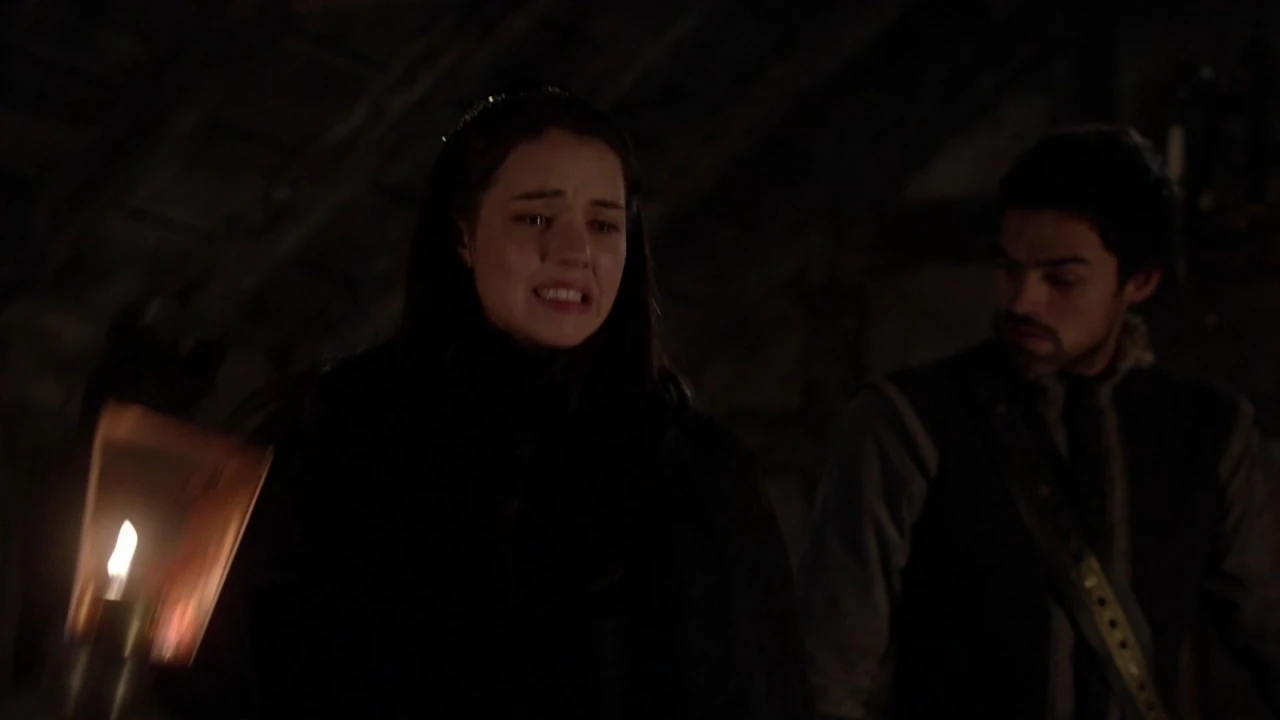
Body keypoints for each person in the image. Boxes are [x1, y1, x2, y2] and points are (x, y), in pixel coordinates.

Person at [176, 87, 811, 719]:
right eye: (535, 219)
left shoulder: (696, 474)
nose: (573, 252)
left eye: (603, 225)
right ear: (463, 235)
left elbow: (764, 689)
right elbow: (226, 674)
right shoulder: (336, 434)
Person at [797, 125, 1280, 719]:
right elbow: (826, 671)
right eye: (1009, 267)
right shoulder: (906, 425)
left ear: (1139, 282)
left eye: (1062, 278)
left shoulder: (1209, 435)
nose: (1022, 300)